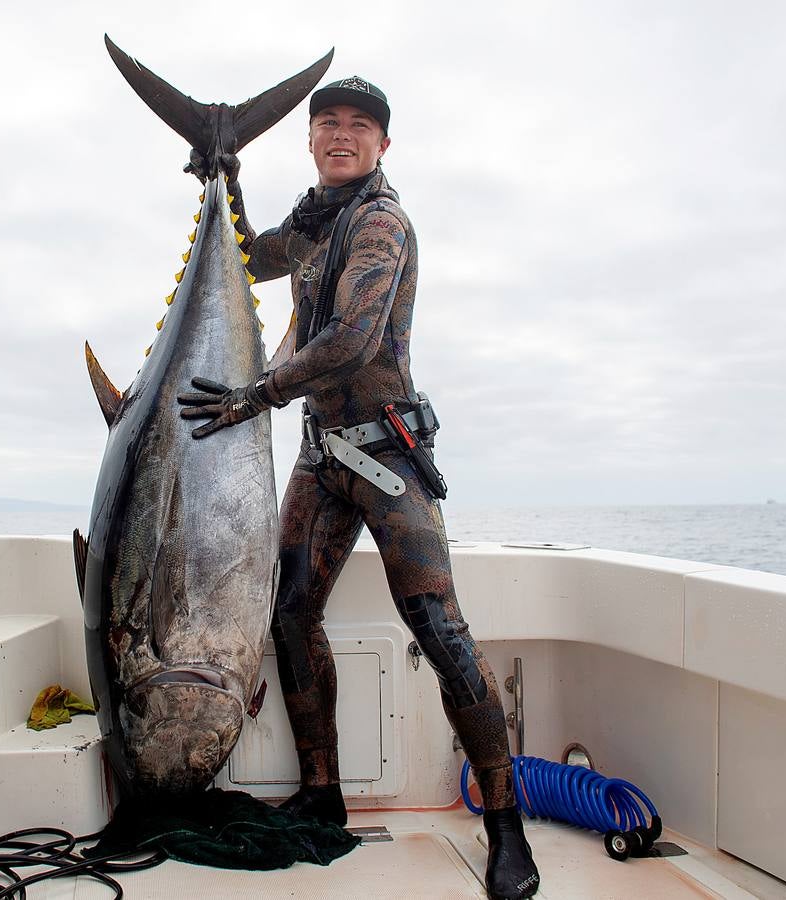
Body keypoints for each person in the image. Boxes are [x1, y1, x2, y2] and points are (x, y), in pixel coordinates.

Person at [177, 76, 540, 900]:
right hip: (320, 457)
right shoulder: (310, 227)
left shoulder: (381, 222)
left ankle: (506, 824)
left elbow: (350, 339)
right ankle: (322, 792)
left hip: (387, 458)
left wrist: (253, 397)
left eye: (359, 126)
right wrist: (221, 172)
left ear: (382, 145)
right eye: (327, 124)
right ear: (309, 141)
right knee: (291, 611)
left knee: (441, 632)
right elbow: (241, 256)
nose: (342, 135)